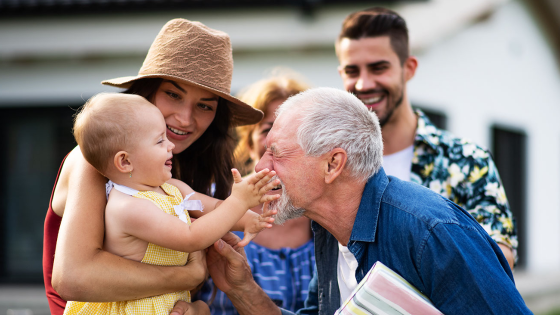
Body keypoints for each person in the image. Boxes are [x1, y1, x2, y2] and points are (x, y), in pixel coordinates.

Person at [203, 87, 532, 314]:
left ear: (333, 164)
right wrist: (240, 287)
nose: (260, 167)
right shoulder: (329, 231)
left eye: (276, 154)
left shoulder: (431, 233)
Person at [43, 18, 264, 315]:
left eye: (204, 106)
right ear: (147, 91)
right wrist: (188, 274)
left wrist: (196, 309)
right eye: (173, 94)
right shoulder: (97, 161)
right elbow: (72, 278)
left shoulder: (174, 172)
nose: (185, 118)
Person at [62, 93, 279, 315]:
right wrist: (238, 200)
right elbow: (190, 237)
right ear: (125, 161)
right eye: (160, 141)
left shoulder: (172, 187)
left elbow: (212, 208)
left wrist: (248, 219)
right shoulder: (127, 207)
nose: (171, 145)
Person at [334, 7, 517, 269]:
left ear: (409, 68)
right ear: (341, 74)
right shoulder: (331, 165)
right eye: (352, 71)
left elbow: (499, 261)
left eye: (378, 68)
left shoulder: (467, 162)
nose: (363, 84)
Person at [195, 71, 315, 313]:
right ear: (249, 143)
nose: (282, 141)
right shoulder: (213, 203)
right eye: (268, 129)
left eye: (297, 131)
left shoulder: (325, 214)